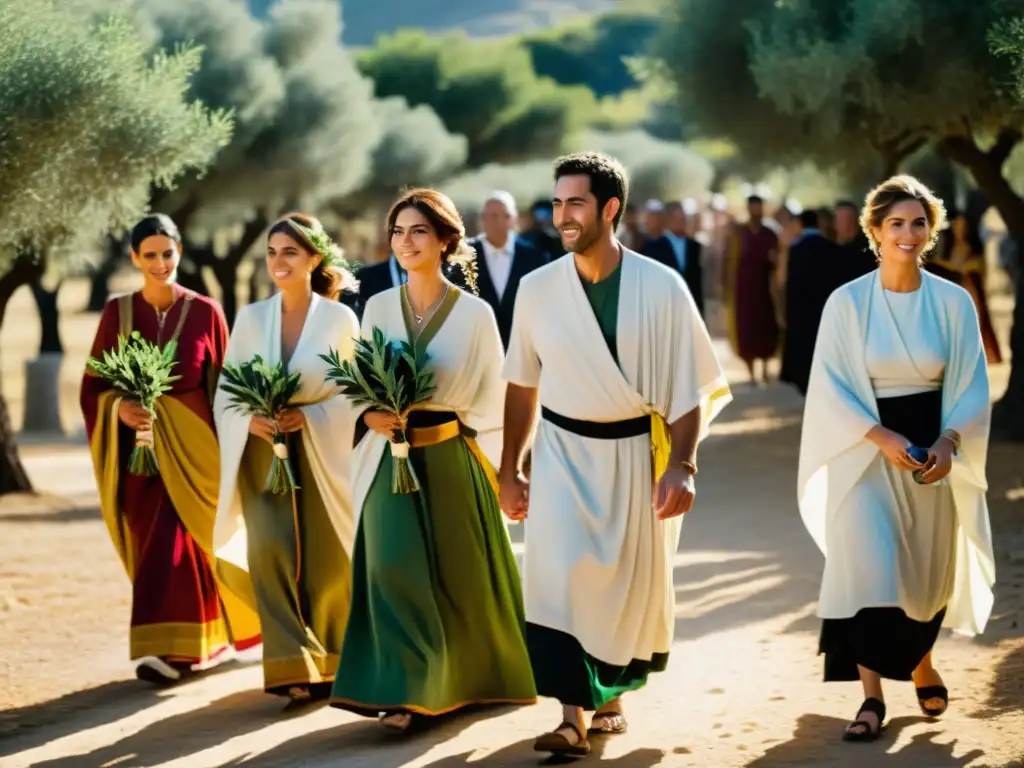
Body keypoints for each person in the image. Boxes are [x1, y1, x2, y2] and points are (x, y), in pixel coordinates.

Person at [499, 153, 731, 757]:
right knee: (556, 579)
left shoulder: (663, 286)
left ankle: (607, 697)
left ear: (610, 209)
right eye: (556, 203)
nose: (562, 215)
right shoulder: (537, 289)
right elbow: (522, 383)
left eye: (575, 202)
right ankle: (571, 716)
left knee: (619, 588)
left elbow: (689, 389)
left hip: (634, 455)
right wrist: (510, 468)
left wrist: (682, 464)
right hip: (560, 454)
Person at [330, 188, 536, 732]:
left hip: (450, 458)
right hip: (387, 459)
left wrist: (505, 473)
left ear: (446, 240)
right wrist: (370, 415)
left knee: (454, 576)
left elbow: (494, 399)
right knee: (391, 569)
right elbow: (355, 385)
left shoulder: (474, 314)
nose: (405, 242)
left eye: (418, 231)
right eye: (397, 231)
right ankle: (403, 691)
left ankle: (456, 682)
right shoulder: (375, 306)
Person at [798, 176, 995, 742]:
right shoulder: (847, 303)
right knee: (871, 569)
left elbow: (972, 384)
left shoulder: (954, 302)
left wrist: (948, 443)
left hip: (932, 453)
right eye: (895, 224)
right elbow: (830, 385)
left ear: (930, 231)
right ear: (874, 231)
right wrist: (880, 437)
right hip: (863, 450)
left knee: (922, 578)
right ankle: (870, 700)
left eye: (918, 223)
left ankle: (921, 661)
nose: (907, 234)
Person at [81, 214, 261, 685]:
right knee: (159, 545)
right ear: (134, 258)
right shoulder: (116, 314)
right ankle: (167, 648)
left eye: (168, 254)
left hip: (199, 449)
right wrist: (118, 407)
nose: (161, 264)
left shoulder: (206, 311)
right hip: (141, 454)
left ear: (179, 252)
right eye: (150, 255)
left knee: (205, 546)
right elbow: (92, 386)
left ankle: (212, 639)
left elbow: (224, 385)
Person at [213, 213, 360, 703]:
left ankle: (334, 658)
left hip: (322, 455)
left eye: (290, 252)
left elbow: (355, 394)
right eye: (272, 252)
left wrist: (312, 416)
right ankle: (289, 664)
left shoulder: (340, 319)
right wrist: (248, 421)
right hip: (261, 454)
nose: (279, 262)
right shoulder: (251, 318)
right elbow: (227, 392)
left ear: (314, 258)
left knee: (328, 558)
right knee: (269, 551)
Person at [450, 190, 548, 350]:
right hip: (477, 350)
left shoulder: (535, 258)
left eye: (498, 216)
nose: (491, 222)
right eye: (486, 216)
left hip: (522, 352)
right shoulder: (462, 258)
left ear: (513, 219)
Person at [779, 210, 846, 395]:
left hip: (801, 312)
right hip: (825, 310)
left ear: (800, 224)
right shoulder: (832, 247)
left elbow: (786, 281)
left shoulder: (795, 248)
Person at [926, 212, 1003, 364]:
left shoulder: (970, 247)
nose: (958, 228)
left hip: (969, 285)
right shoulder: (949, 247)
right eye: (956, 225)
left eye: (962, 226)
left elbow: (977, 266)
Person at [723, 194, 779, 385]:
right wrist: (725, 287)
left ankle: (764, 368)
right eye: (753, 208)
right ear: (748, 209)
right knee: (745, 329)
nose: (757, 211)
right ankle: (751, 372)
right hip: (743, 290)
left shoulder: (769, 233)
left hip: (764, 289)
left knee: (764, 327)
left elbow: (777, 260)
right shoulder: (739, 233)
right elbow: (728, 261)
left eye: (759, 208)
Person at [641, 200, 705, 316]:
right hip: (664, 310)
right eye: (677, 218)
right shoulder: (652, 247)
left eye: (683, 218)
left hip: (690, 309)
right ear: (667, 219)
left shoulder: (695, 246)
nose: (681, 222)